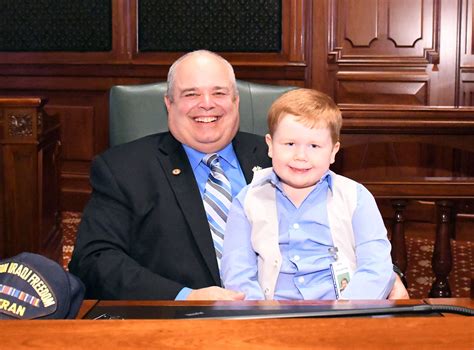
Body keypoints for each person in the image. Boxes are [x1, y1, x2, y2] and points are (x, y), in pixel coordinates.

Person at [69, 50, 409, 300]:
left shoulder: (287, 155)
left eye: (219, 93)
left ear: (235, 101)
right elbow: (93, 261)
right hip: (182, 324)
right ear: (169, 104)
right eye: (191, 94)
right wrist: (186, 296)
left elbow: (336, 221)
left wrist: (386, 277)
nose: (207, 104)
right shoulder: (123, 169)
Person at [221, 88, 396, 300]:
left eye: (314, 146)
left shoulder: (356, 198)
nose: (301, 156)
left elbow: (376, 267)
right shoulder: (248, 200)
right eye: (289, 144)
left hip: (345, 312)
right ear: (270, 146)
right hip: (271, 316)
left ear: (333, 151)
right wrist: (259, 312)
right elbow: (237, 272)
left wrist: (348, 311)